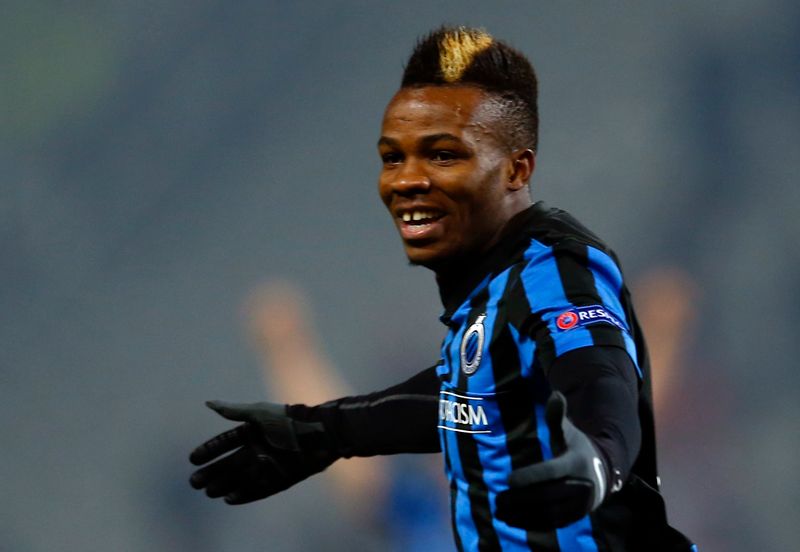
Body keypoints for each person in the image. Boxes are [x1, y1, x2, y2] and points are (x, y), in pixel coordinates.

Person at [189, 26, 696, 551]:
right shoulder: (428, 507)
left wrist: (598, 455)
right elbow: (366, 452)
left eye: (445, 156)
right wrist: (293, 365)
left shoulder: (550, 273)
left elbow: (603, 386)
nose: (410, 182)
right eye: (394, 158)